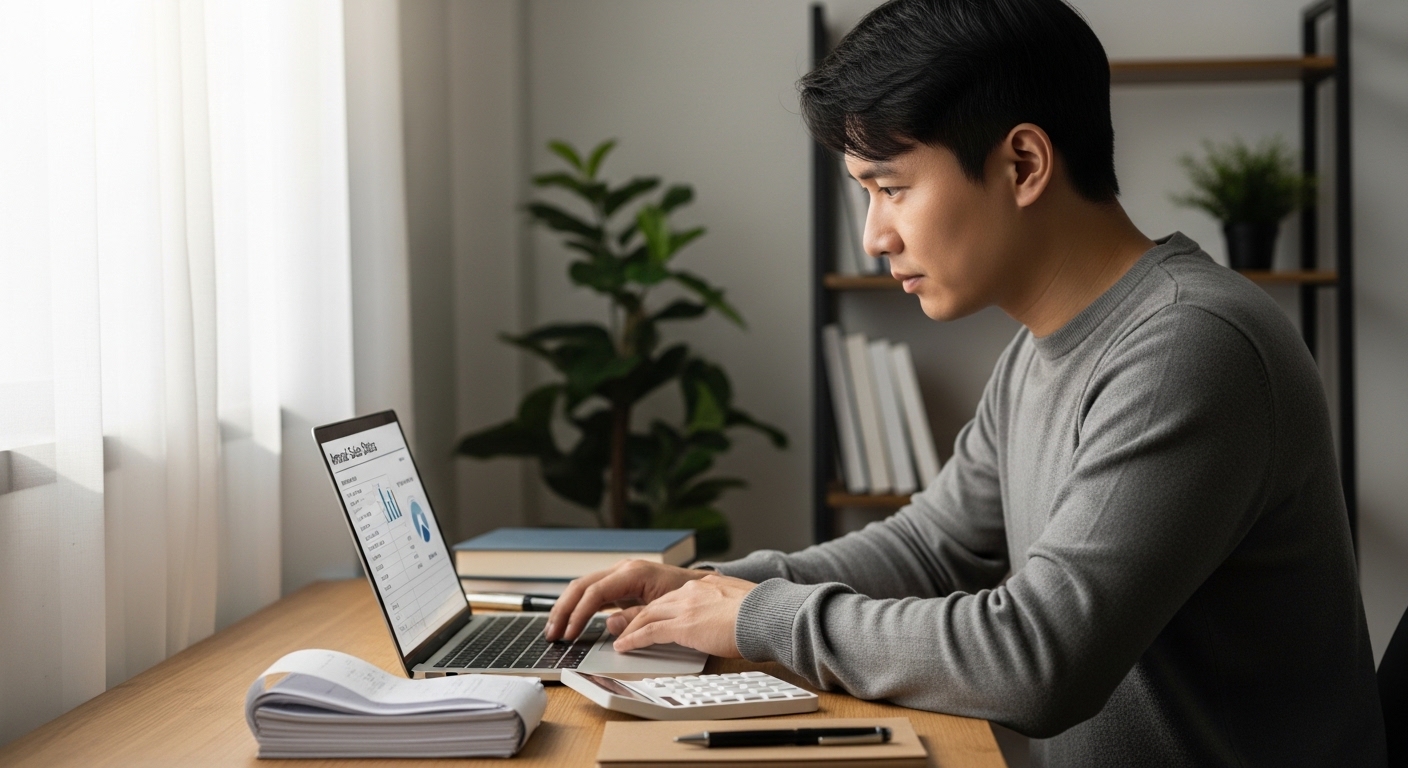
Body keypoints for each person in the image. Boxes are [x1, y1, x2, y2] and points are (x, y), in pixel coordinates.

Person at [545, 0, 1385, 763]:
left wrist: (755, 618)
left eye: (892, 188)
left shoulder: (1188, 348)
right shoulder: (1044, 347)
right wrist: (718, 587)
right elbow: (931, 547)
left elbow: (1038, 660)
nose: (873, 237)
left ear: (1023, 163)